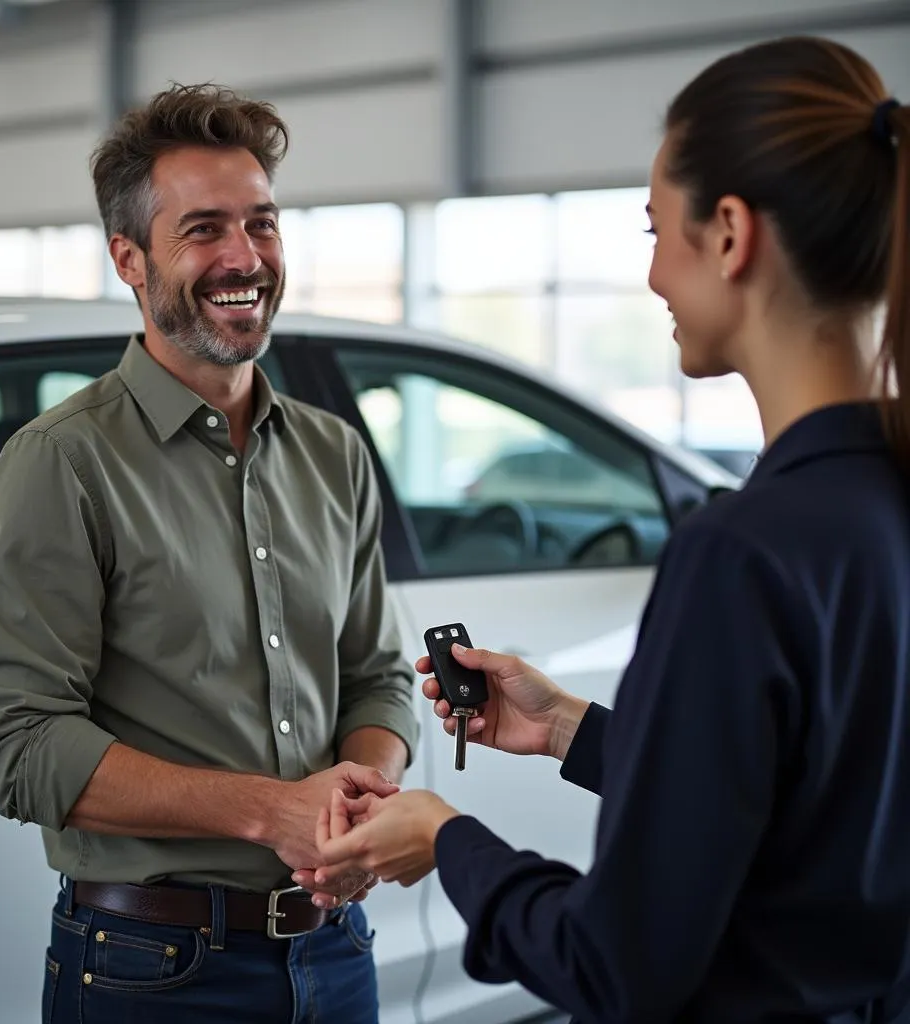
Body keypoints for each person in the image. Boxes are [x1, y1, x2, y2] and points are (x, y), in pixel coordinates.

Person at [313, 35, 910, 1023]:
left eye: (653, 230)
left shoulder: (739, 554)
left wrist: (446, 840)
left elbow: (617, 964)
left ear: (729, 232)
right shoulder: (875, 509)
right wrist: (568, 729)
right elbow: (818, 807)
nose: (652, 278)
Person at [0, 83, 418, 1024]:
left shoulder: (333, 452)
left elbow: (377, 677)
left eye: (262, 223)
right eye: (203, 229)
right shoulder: (62, 465)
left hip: (336, 952)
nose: (245, 258)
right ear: (130, 258)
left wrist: (355, 806)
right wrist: (269, 810)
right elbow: (19, 746)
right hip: (152, 970)